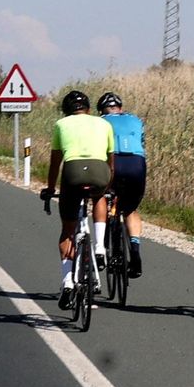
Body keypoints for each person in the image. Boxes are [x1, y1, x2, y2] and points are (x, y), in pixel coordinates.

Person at [41, 90, 115, 310]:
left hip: (72, 172)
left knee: (67, 230)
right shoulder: (104, 124)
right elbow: (111, 159)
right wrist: (107, 185)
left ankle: (67, 283)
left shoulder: (61, 124)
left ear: (66, 110)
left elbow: (56, 161)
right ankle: (100, 247)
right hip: (100, 170)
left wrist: (51, 187)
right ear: (89, 109)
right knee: (99, 196)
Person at [97, 92, 147, 277]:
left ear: (101, 110)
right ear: (120, 107)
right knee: (131, 210)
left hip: (114, 163)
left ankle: (101, 246)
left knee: (102, 198)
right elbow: (142, 144)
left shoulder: (100, 122)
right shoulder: (136, 120)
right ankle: (135, 251)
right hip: (137, 164)